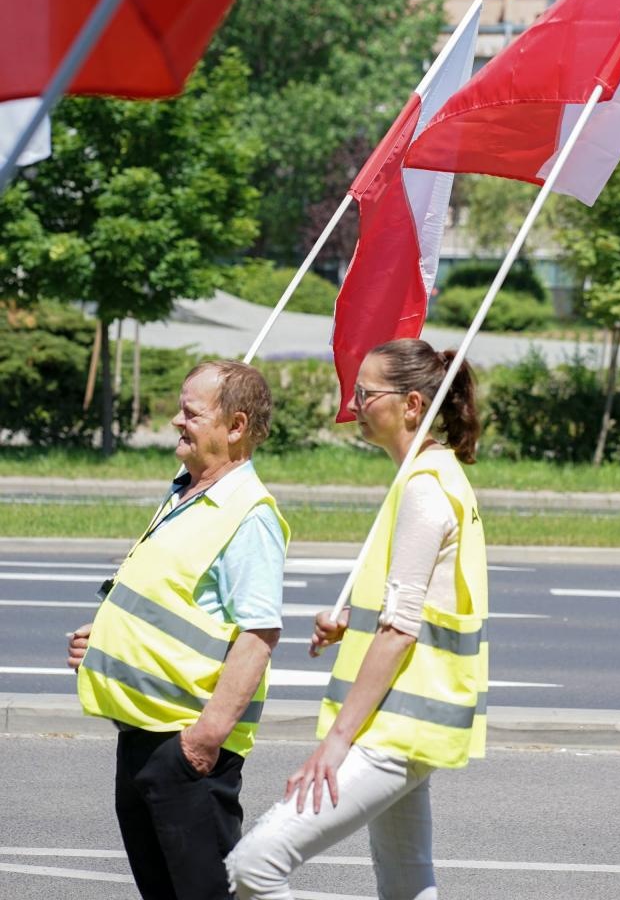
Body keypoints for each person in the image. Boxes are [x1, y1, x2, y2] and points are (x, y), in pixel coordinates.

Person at [227, 338, 488, 900]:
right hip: (409, 720)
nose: (353, 404)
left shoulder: (424, 489)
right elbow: (416, 609)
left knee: (254, 864)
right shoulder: (434, 475)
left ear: (412, 405)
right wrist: (353, 623)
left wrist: (335, 743)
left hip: (392, 727)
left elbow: (401, 631)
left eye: (366, 394)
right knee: (406, 881)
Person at [66, 359, 289, 900]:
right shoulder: (185, 493)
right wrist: (106, 639)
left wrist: (204, 740)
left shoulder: (248, 514)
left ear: (235, 426)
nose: (176, 421)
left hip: (187, 747)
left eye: (191, 413)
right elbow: (171, 601)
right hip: (143, 737)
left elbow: (258, 637)